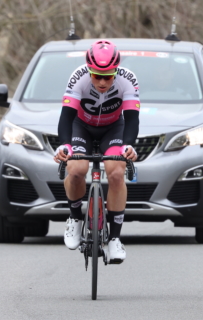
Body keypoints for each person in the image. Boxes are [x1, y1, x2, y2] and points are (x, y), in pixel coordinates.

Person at [53, 40, 140, 263]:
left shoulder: (128, 80)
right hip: (81, 127)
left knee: (116, 172)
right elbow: (66, 117)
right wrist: (65, 144)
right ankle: (74, 217)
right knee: (76, 168)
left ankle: (114, 238)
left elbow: (131, 119)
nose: (102, 81)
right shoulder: (78, 76)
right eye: (96, 75)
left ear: (116, 71)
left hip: (113, 128)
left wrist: (129, 145)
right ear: (89, 71)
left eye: (108, 76)